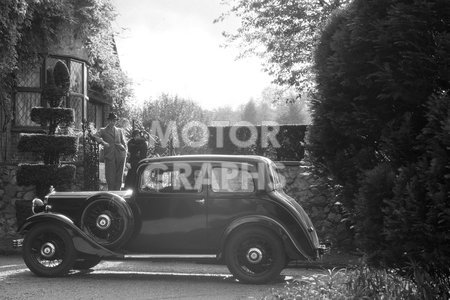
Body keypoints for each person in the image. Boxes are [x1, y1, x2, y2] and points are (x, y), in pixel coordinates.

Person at [93, 112, 127, 190]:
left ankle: (118, 195)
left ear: (116, 121)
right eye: (111, 121)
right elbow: (95, 136)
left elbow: (124, 143)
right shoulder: (103, 130)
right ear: (108, 121)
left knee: (119, 178)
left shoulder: (119, 130)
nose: (112, 122)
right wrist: (103, 142)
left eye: (114, 121)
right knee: (110, 178)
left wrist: (124, 152)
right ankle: (111, 195)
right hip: (109, 157)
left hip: (120, 156)